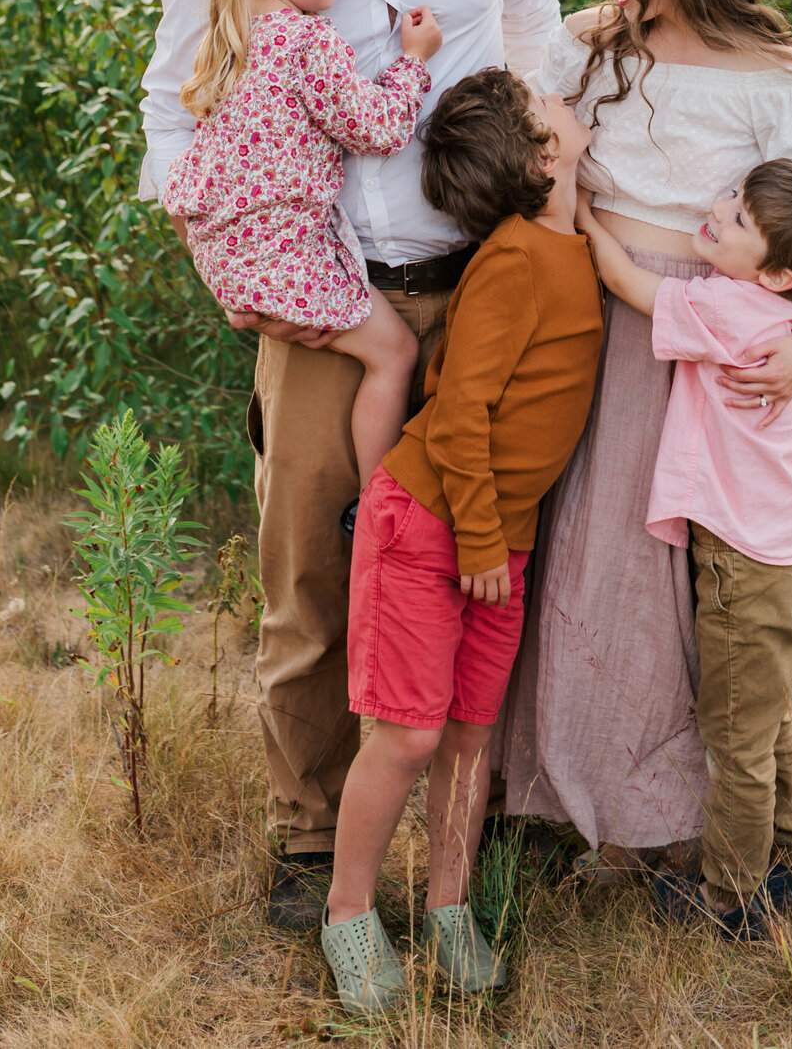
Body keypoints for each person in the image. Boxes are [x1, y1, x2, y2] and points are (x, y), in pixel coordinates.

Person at [140, 0, 561, 927]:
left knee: (489, 555)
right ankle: (311, 840)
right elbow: (171, 110)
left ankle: (477, 832)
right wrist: (216, 240)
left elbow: (535, 35)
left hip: (486, 283)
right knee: (316, 575)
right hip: (326, 300)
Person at [502, 0, 792, 877]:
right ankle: (557, 792)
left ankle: (662, 810)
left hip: (695, 333)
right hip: (585, 310)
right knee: (572, 554)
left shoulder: (778, 81)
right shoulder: (588, 44)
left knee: (668, 584)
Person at [320, 69, 603, 1017]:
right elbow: (462, 415)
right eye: (550, 105)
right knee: (409, 734)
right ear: (541, 154)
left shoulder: (578, 247)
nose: (567, 103)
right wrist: (480, 540)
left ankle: (448, 909)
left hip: (498, 544)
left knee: (472, 737)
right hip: (435, 522)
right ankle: (349, 914)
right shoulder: (516, 259)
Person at [576, 161, 792, 938]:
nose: (717, 209)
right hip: (782, 545)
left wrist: (581, 210)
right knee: (766, 715)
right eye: (734, 197)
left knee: (734, 734)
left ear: (775, 274)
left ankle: (732, 896)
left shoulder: (726, 310)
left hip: (743, 555)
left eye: (737, 219)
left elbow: (628, 282)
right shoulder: (778, 315)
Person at [161, 0, 442, 498]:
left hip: (229, 256)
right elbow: (375, 129)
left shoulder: (232, 36)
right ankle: (382, 507)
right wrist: (414, 62)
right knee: (393, 354)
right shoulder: (306, 41)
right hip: (281, 256)